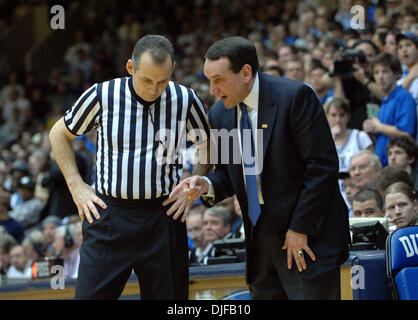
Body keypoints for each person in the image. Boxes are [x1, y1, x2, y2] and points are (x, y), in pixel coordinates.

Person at [167, 36, 350, 299]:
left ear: (245, 73)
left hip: (306, 238)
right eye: (209, 80)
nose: (213, 89)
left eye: (219, 79)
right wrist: (204, 184)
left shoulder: (295, 97)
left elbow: (322, 167)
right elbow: (229, 176)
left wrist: (301, 228)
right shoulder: (220, 114)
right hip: (259, 241)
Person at [49, 34, 210, 300]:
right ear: (130, 68)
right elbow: (58, 134)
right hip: (110, 214)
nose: (153, 89)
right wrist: (76, 185)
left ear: (172, 71)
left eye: (162, 81)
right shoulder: (102, 94)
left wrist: (195, 180)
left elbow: (207, 144)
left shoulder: (185, 99)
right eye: (146, 80)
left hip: (165, 215)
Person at [363, 53, 416, 166]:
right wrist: (372, 130)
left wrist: (379, 126)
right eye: (376, 73)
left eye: (385, 71)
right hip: (385, 167)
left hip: (400, 168)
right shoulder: (385, 100)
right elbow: (384, 135)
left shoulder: (403, 97)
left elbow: (405, 134)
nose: (380, 77)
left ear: (397, 74)